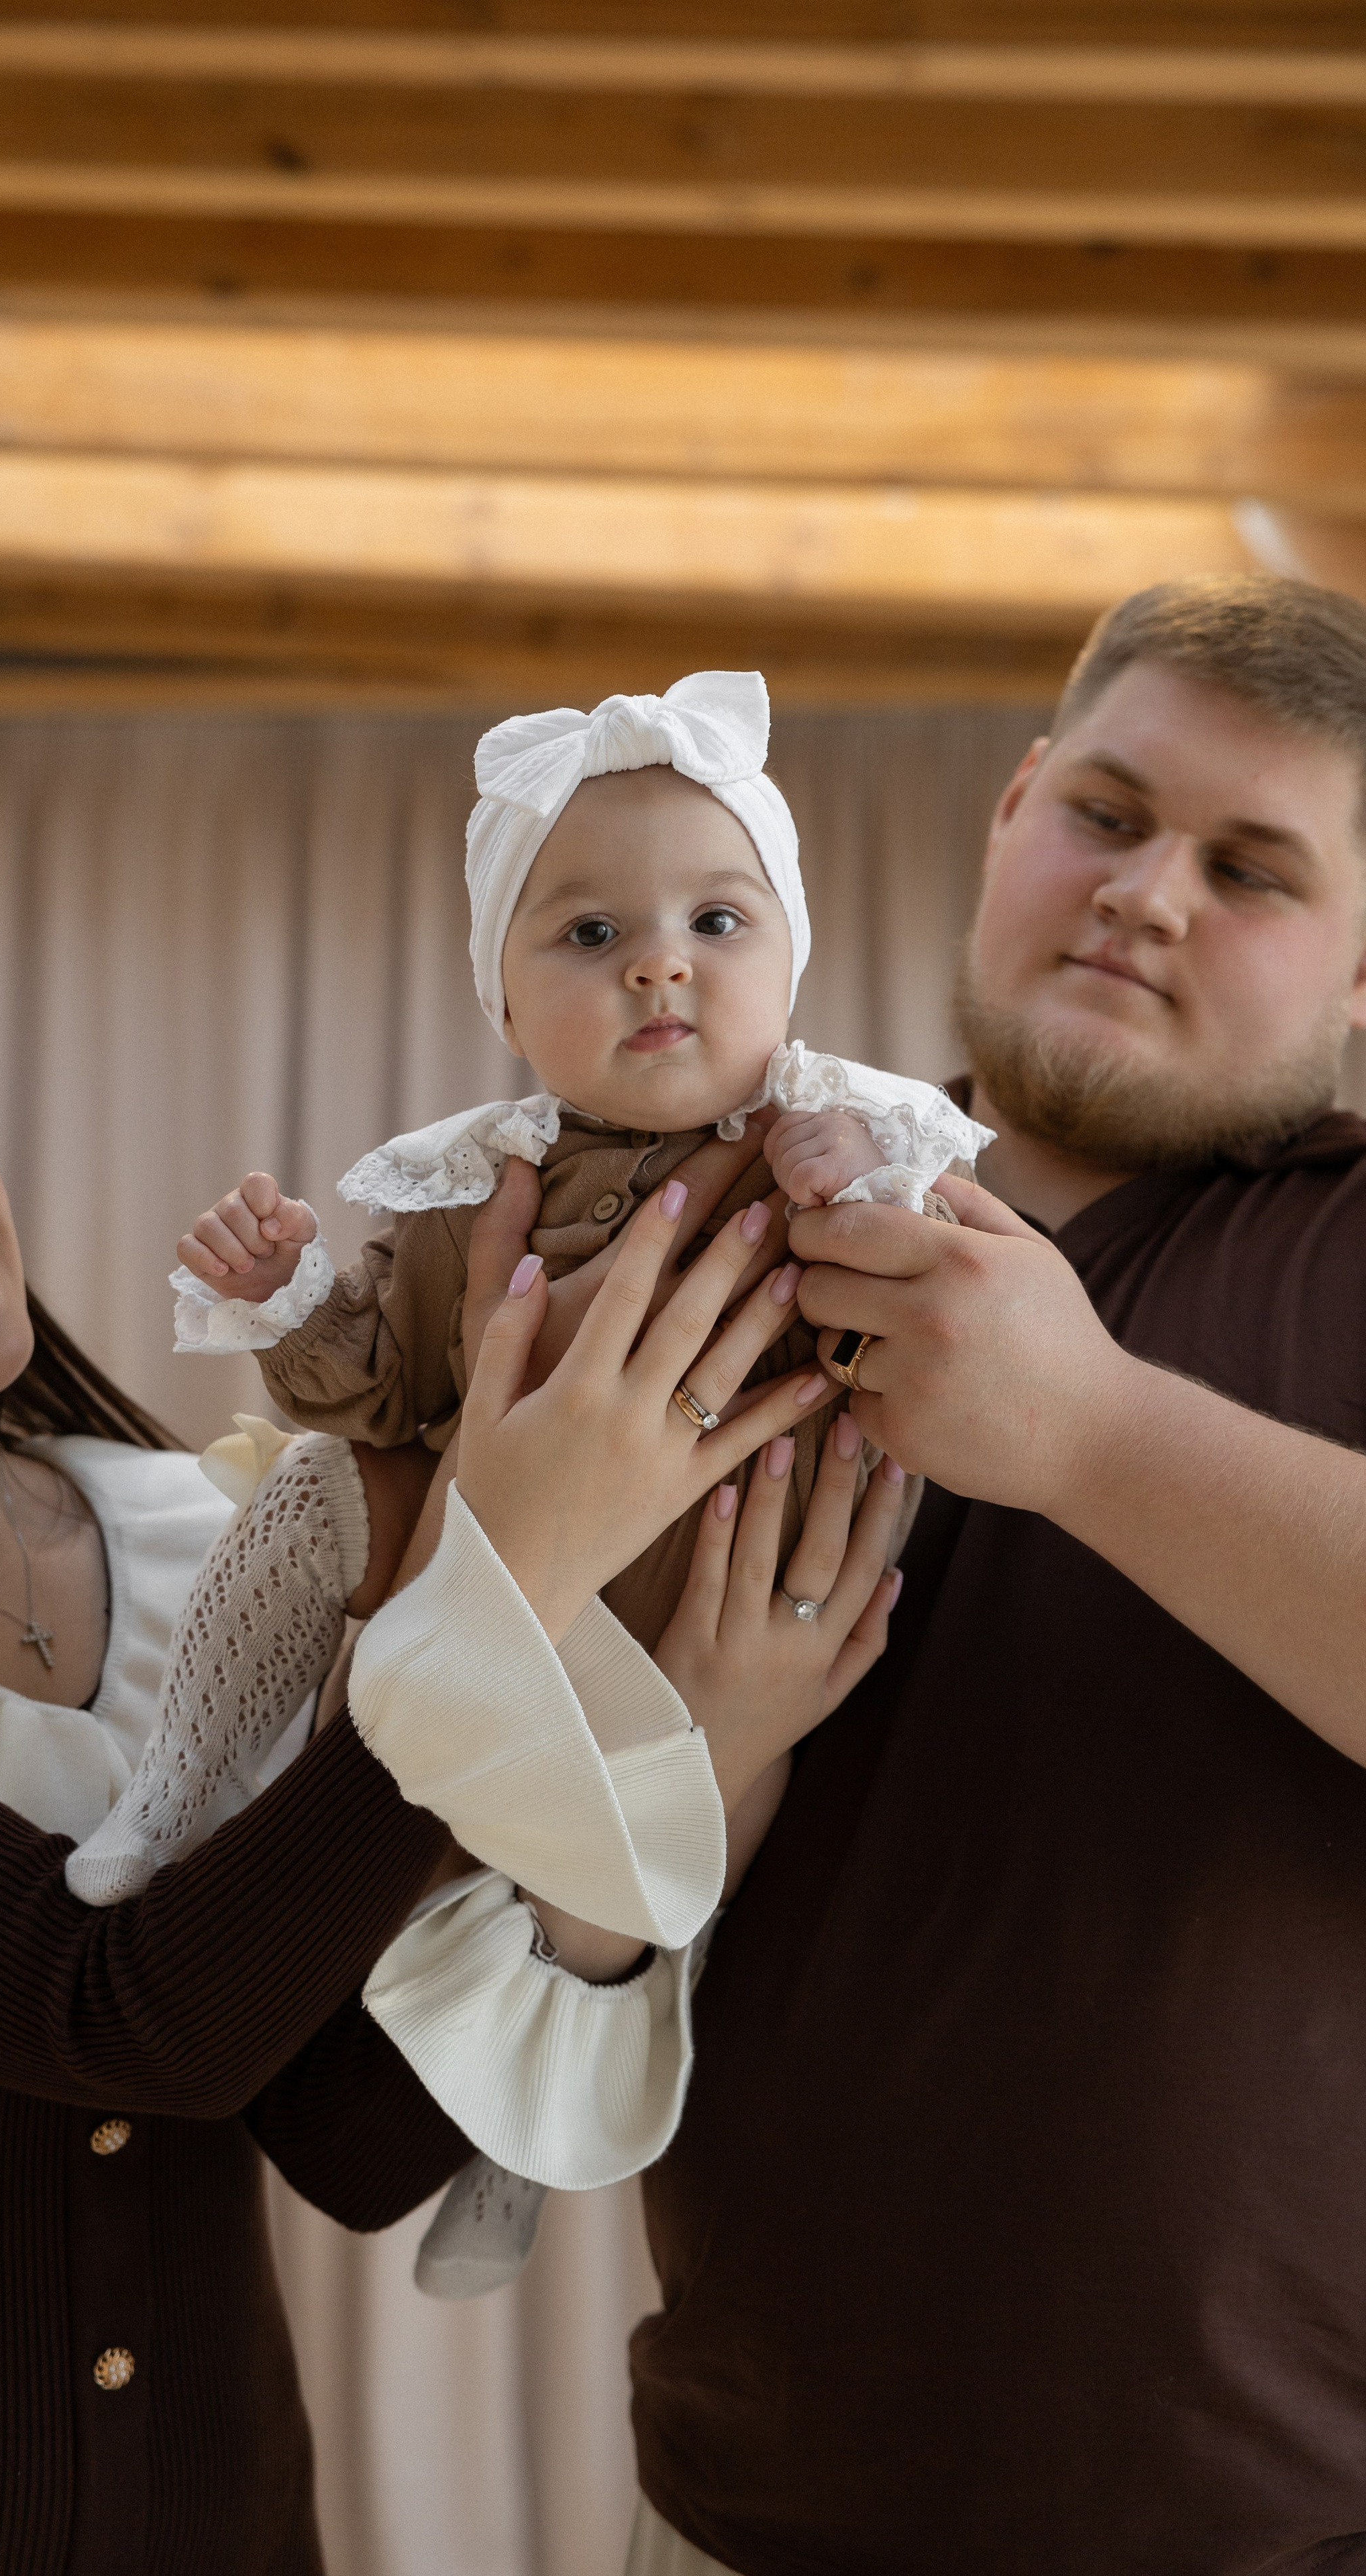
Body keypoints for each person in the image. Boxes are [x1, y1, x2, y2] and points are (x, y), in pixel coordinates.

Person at [0, 945, 898, 2575]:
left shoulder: (205, 1543)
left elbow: (347, 2138)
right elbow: (118, 2018)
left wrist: (698, 1759)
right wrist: (483, 1594)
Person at [560, 576, 1366, 2576]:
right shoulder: (711, 1224)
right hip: (741, 2512)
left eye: (1253, 868)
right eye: (1107, 813)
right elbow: (571, 1940)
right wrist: (689, 1755)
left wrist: (1087, 1431)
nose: (1146, 893)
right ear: (1013, 811)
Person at [169, 669, 986, 1651]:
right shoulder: (474, 1190)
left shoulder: (862, 1133)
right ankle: (174, 1797)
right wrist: (280, 1296)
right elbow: (385, 1396)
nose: (660, 965)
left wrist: (870, 1191)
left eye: (716, 922)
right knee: (305, 1498)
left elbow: (960, 1330)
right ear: (503, 1004)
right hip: (527, 1649)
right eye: (592, 933)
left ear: (792, 960)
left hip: (782, 1629)